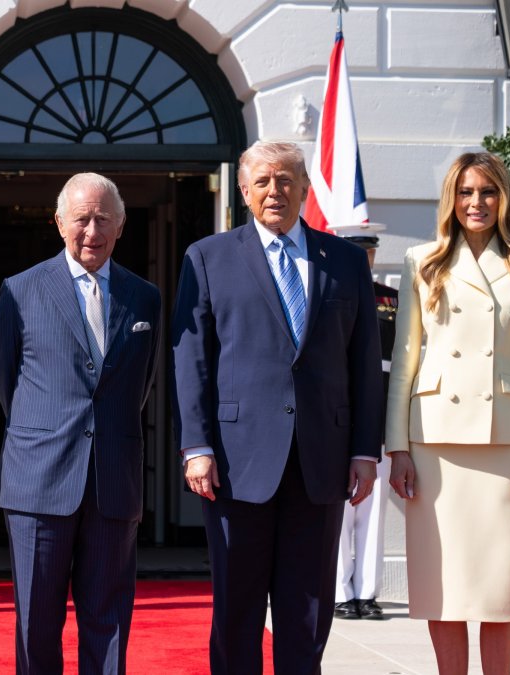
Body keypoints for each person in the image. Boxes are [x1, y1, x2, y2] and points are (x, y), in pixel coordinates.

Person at [170, 140, 384, 674]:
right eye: (262, 181)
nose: (274, 191)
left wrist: (365, 451)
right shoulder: (207, 258)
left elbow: (364, 364)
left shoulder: (346, 262)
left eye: (286, 179)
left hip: (322, 460)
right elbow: (191, 360)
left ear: (305, 189)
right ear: (243, 191)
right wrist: (196, 446)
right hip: (234, 464)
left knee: (308, 611)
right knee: (237, 608)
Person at [385, 152, 510, 675]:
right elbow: (404, 362)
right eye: (465, 193)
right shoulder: (423, 260)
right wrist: (397, 447)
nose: (476, 202)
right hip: (436, 439)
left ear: (502, 198)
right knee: (446, 586)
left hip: (507, 440)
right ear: (451, 201)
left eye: (486, 192)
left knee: (502, 585)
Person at [0, 173, 161, 675]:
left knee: (108, 623)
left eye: (103, 219)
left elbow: (141, 384)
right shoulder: (19, 291)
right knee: (36, 625)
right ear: (59, 222)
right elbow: (7, 382)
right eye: (81, 219)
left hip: (113, 479)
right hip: (38, 482)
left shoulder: (144, 297)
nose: (91, 230)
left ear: (121, 224)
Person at [329, 222, 396, 622]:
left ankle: (367, 593)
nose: (364, 257)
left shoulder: (390, 299)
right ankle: (339, 590)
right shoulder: (327, 292)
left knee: (373, 511)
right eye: (357, 249)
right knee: (337, 512)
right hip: (336, 416)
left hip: (380, 414)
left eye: (368, 251)